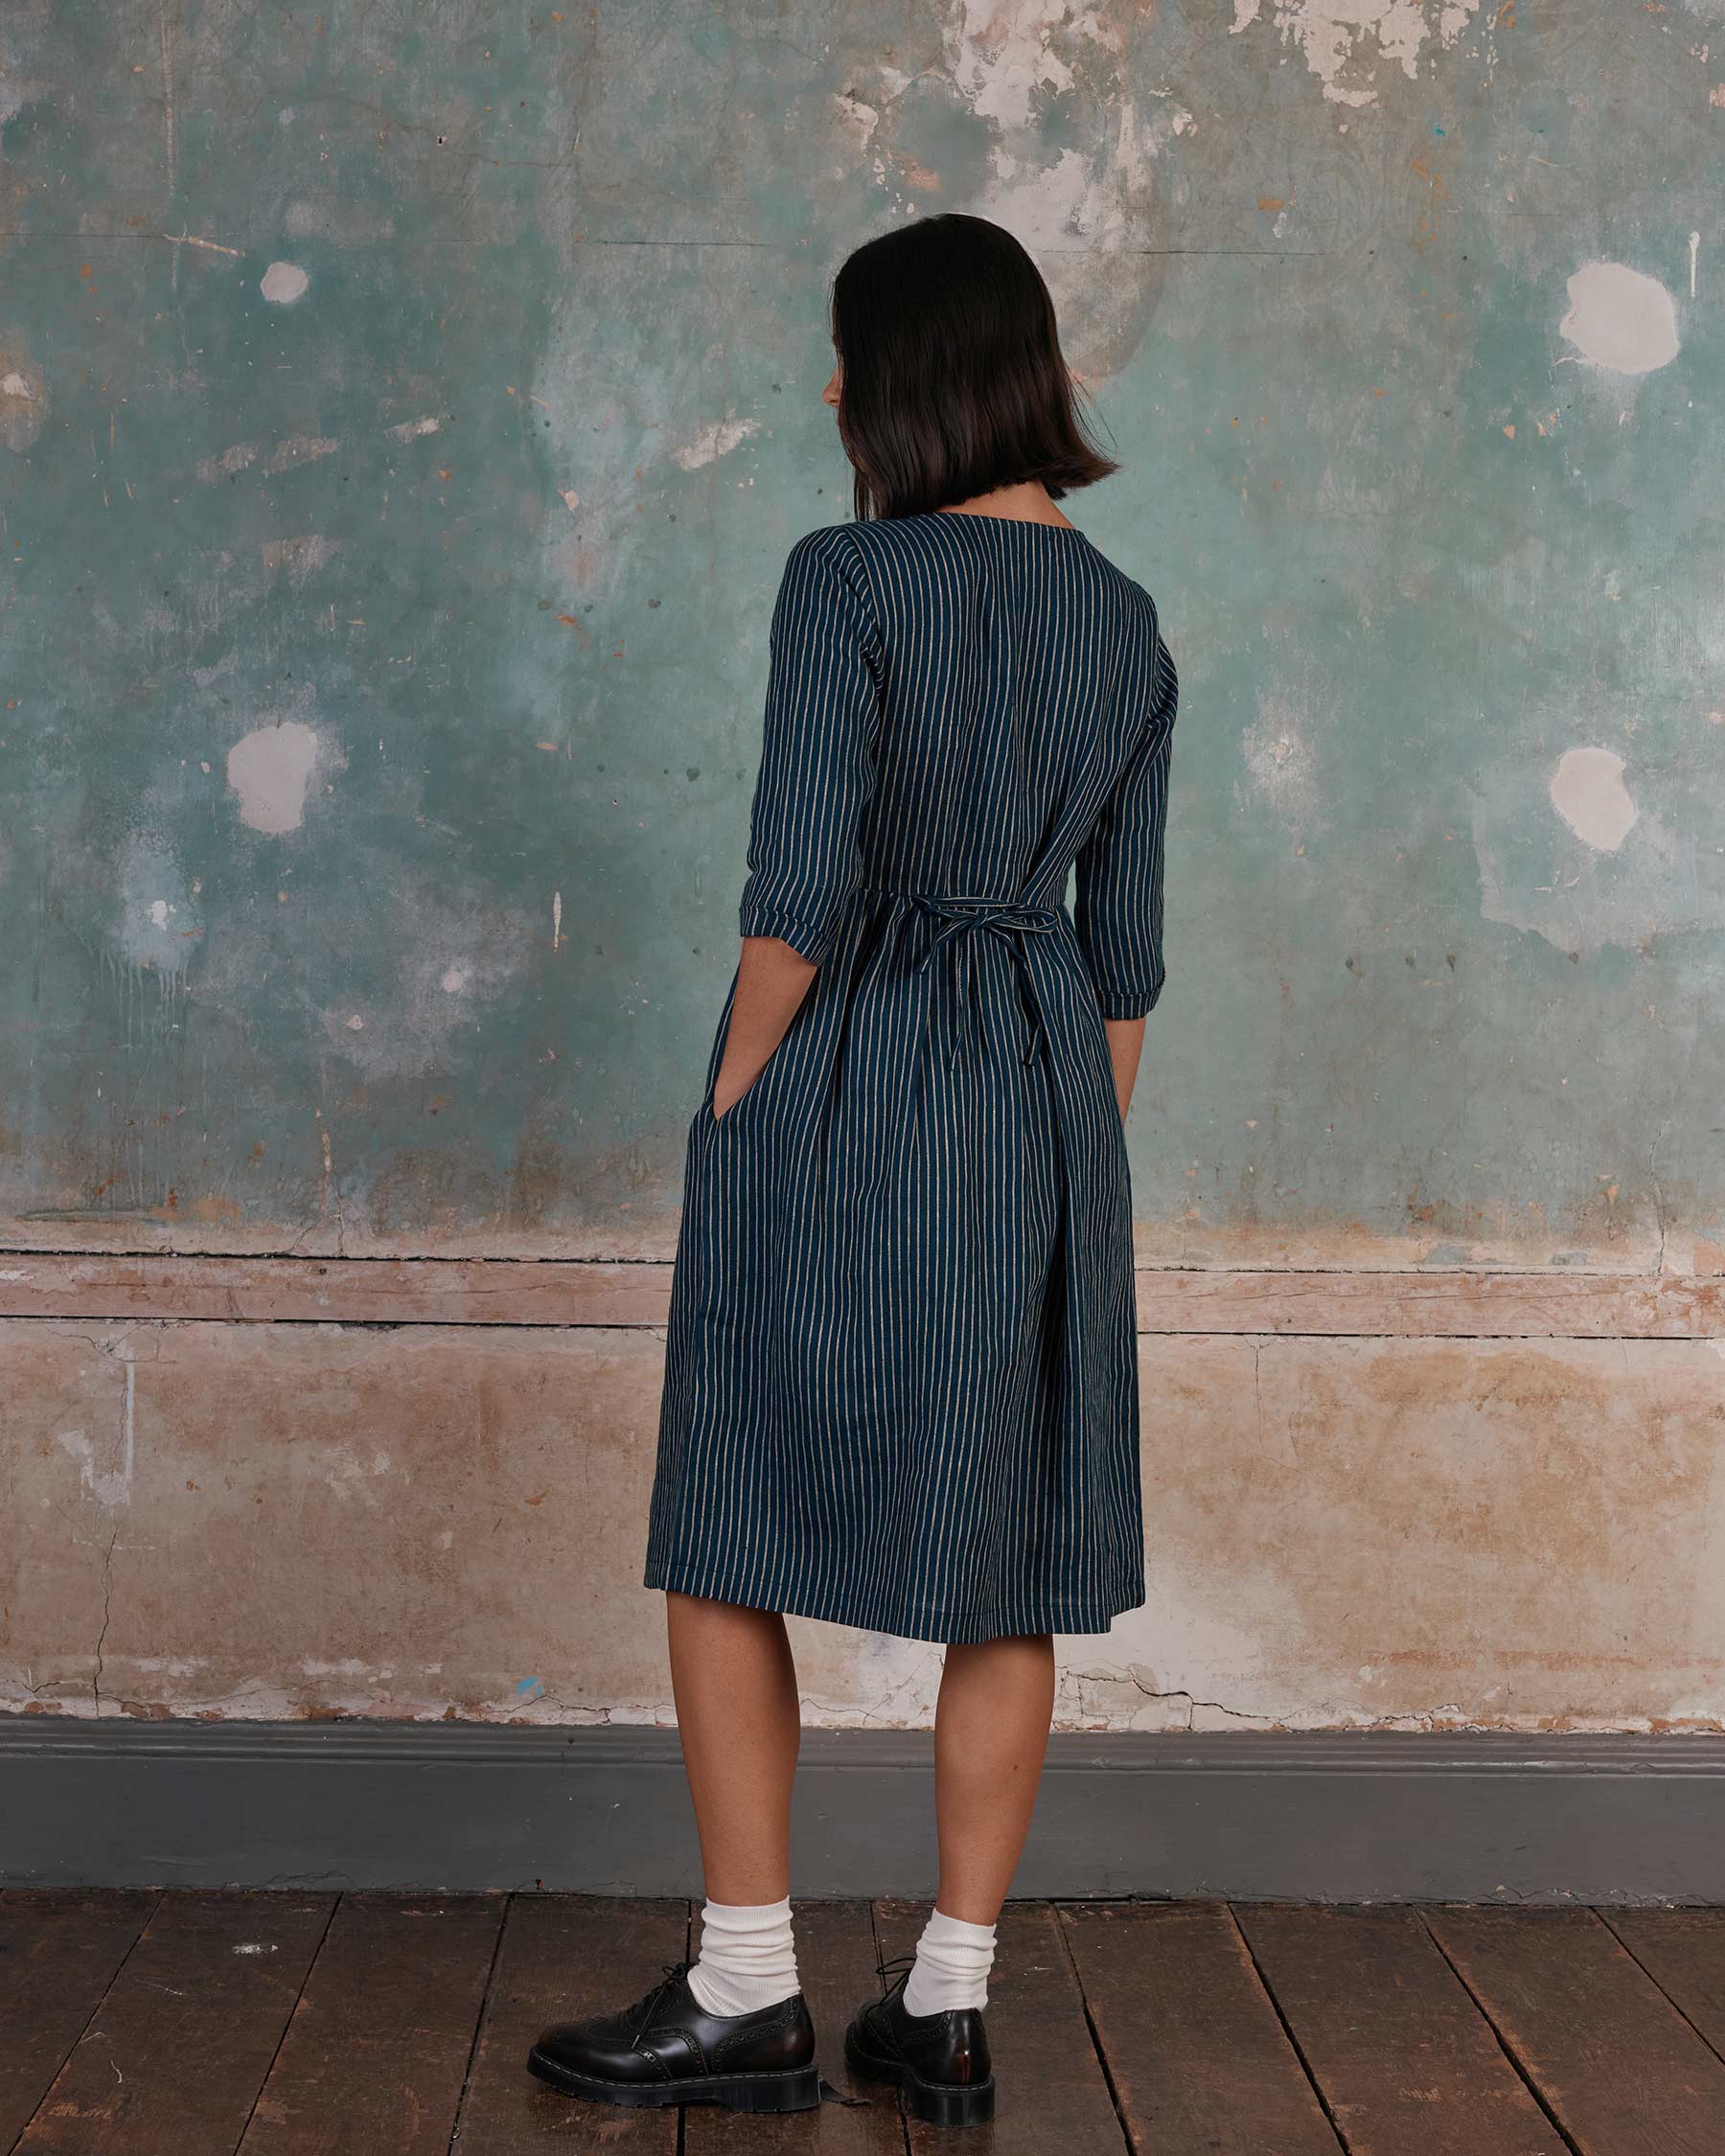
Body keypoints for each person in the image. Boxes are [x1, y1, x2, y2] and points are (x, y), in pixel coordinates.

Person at [529, 211, 1179, 2127]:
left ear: (906, 376)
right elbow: (1127, 953)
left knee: (728, 1506)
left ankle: (747, 1984)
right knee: (1017, 1561)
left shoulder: (849, 579)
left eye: (846, 359)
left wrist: (735, 1104)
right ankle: (947, 2002)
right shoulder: (1128, 620)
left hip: (852, 1071)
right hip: (1049, 1099)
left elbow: (799, 899)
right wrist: (1069, 1161)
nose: (828, 392)